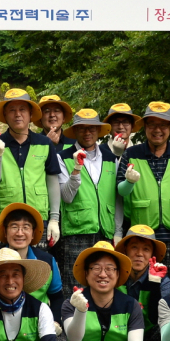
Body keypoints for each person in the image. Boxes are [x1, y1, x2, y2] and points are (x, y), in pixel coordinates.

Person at [116, 102, 170, 272]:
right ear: (145, 127)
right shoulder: (131, 154)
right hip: (142, 236)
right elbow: (121, 191)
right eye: (152, 124)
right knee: (144, 285)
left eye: (163, 125)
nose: (158, 130)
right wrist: (129, 182)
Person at [0, 89, 63, 248]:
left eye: (22, 110)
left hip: (37, 221)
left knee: (37, 270)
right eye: (12, 110)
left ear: (31, 114)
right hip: (4, 222)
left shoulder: (44, 143)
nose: (17, 114)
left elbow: (52, 181)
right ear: (5, 115)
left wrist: (54, 219)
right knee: (5, 269)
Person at [0, 202, 64, 325]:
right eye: (14, 227)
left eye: (26, 227)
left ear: (33, 233)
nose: (20, 233)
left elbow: (56, 296)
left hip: (38, 321)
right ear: (5, 232)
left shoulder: (47, 260)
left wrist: (55, 322)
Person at [58, 109, 123, 286]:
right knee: (74, 288)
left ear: (98, 131)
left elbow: (117, 198)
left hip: (105, 231)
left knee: (103, 285)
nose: (87, 133)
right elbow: (66, 197)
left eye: (92, 128)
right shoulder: (63, 157)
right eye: (82, 128)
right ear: (75, 132)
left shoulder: (111, 158)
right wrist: (76, 171)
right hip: (76, 232)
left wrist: (117, 232)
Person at [115, 224, 168, 341]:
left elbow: (159, 319)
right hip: (117, 338)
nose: (139, 254)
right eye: (134, 247)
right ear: (125, 250)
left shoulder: (162, 280)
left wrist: (155, 284)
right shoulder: (113, 277)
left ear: (152, 255)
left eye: (146, 249)